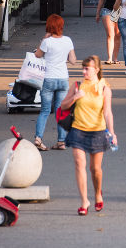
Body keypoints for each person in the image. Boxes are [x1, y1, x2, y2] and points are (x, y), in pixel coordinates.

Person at [61, 56, 116, 216]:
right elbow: (63, 106)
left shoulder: (105, 89)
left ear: (96, 70)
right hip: (78, 130)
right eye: (83, 68)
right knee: (79, 163)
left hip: (97, 131)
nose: (84, 71)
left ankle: (98, 193)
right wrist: (74, 98)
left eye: (87, 68)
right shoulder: (77, 85)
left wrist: (112, 132)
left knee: (95, 169)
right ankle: (84, 201)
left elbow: (107, 112)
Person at [33, 14, 77, 151]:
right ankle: (61, 141)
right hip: (63, 78)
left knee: (45, 111)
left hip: (48, 78)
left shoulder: (47, 42)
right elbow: (73, 60)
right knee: (61, 111)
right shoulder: (68, 41)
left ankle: (38, 138)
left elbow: (37, 55)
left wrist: (43, 39)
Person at [95, 0, 123, 64]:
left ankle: (115, 58)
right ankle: (110, 58)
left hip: (120, 10)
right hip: (107, 10)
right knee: (110, 34)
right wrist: (98, 13)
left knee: (118, 34)